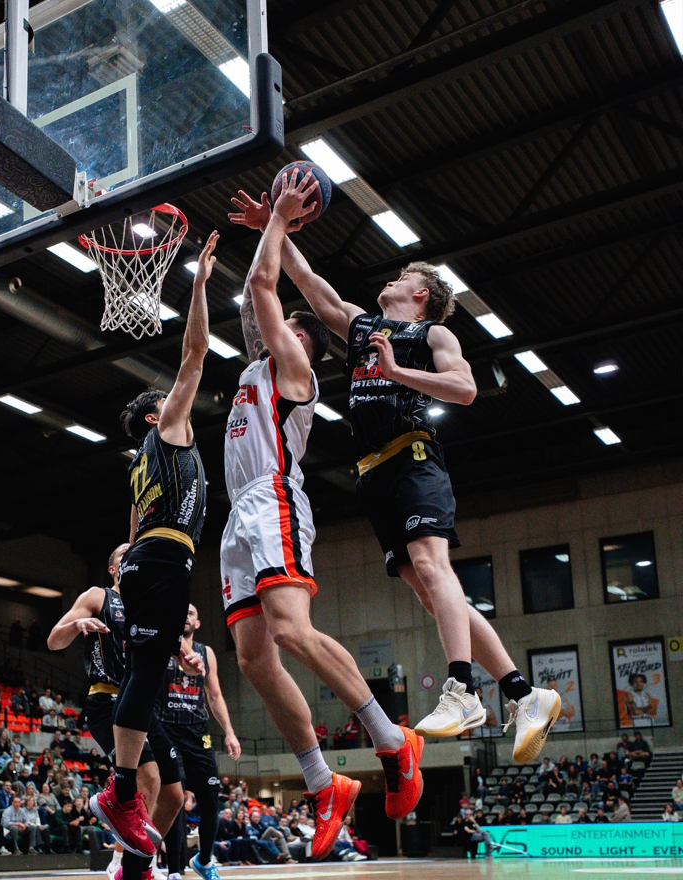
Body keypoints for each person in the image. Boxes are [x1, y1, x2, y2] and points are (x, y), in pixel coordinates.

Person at [230, 189, 561, 763]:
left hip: (412, 456)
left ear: (421, 293)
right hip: (374, 474)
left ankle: (462, 689)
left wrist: (397, 371)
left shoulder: (430, 336)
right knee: (434, 598)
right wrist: (274, 225)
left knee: (436, 571)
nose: (390, 280)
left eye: (402, 277)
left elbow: (465, 389)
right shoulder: (362, 328)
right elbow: (304, 277)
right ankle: (524, 692)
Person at [222, 173, 420, 850]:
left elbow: (261, 292)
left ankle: (393, 742)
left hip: (275, 498)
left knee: (292, 633)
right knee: (252, 657)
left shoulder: (297, 376)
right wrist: (267, 230)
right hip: (236, 520)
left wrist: (277, 218)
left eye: (290, 327)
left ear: (305, 345)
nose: (276, 328)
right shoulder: (258, 365)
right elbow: (257, 301)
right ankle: (321, 781)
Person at [89, 232, 217, 863]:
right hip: (162, 560)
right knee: (145, 673)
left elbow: (132, 527)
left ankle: (120, 795)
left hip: (150, 560)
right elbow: (194, 353)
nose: (181, 402)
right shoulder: (166, 431)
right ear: (154, 414)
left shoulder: (146, 465)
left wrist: (129, 570)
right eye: (166, 401)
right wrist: (196, 287)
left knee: (146, 671)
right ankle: (118, 792)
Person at [48, 542, 180, 878]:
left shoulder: (146, 603)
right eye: (126, 557)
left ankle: (142, 864)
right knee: (147, 779)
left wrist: (185, 660)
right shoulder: (98, 596)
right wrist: (78, 626)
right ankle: (124, 866)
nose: (135, 562)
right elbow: (54, 640)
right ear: (113, 568)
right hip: (107, 701)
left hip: (142, 704)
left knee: (174, 795)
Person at [160, 603, 242, 880]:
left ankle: (204, 860)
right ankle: (173, 870)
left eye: (191, 613)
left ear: (198, 623)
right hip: (167, 732)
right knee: (175, 801)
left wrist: (229, 732)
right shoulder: (162, 645)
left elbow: (215, 696)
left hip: (198, 735)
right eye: (180, 611)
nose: (184, 615)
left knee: (210, 801)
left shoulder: (206, 653)